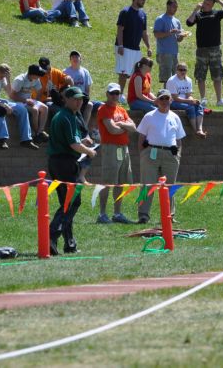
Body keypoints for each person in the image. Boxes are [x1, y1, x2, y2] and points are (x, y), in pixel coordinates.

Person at [48, 86, 97, 254]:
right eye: (75, 99)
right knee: (72, 202)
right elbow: (73, 145)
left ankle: (69, 244)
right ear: (66, 99)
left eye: (81, 99)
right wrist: (89, 151)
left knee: (67, 203)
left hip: (59, 162)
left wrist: (84, 142)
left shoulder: (69, 116)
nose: (79, 102)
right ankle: (51, 235)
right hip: (64, 163)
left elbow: (75, 139)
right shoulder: (66, 117)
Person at [136, 89, 185, 224]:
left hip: (170, 155)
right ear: (157, 101)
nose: (164, 101)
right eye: (161, 99)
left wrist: (178, 154)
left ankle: (169, 215)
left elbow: (179, 138)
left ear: (171, 100)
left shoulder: (175, 117)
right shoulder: (149, 116)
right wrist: (143, 153)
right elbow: (141, 137)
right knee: (147, 185)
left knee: (169, 186)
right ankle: (143, 215)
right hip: (151, 153)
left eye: (166, 98)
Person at [96, 82, 138, 224]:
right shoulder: (103, 109)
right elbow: (112, 130)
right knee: (108, 182)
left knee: (121, 182)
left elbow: (134, 127)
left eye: (117, 93)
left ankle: (117, 213)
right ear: (107, 94)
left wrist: (121, 125)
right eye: (112, 93)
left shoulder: (121, 110)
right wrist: (124, 127)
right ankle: (102, 214)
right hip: (110, 148)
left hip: (123, 148)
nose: (115, 96)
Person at [186, 0, 223, 107]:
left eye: (208, 4)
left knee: (217, 75)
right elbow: (189, 23)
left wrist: (219, 0)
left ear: (212, 5)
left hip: (215, 49)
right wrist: (195, 9)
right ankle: (203, 99)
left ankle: (219, 100)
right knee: (200, 75)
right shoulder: (198, 15)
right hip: (201, 50)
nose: (205, 5)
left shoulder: (216, 14)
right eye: (204, 3)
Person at [0, 64, 38, 150]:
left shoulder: (2, 78)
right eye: (2, 76)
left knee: (22, 109)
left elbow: (9, 93)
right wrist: (4, 105)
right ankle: (1, 140)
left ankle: (26, 140)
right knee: (1, 110)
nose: (2, 78)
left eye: (4, 77)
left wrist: (8, 80)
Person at [116, 0, 152, 94]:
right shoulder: (125, 12)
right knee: (123, 72)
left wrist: (149, 47)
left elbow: (144, 33)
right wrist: (120, 45)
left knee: (136, 72)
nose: (144, 1)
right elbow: (120, 29)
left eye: (144, 0)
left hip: (136, 49)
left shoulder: (143, 14)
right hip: (124, 47)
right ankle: (120, 94)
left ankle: (133, 93)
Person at [11, 65, 50, 143]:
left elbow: (39, 90)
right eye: (38, 75)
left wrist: (36, 101)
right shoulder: (20, 80)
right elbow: (12, 95)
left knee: (45, 108)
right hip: (18, 102)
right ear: (32, 74)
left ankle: (40, 131)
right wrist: (25, 100)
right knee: (35, 110)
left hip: (28, 100)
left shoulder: (35, 79)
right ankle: (37, 134)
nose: (39, 77)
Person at [153, 0, 187, 86]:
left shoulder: (177, 21)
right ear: (168, 6)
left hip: (175, 53)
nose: (175, 9)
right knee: (167, 79)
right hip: (164, 53)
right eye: (174, 7)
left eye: (176, 7)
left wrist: (182, 36)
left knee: (176, 76)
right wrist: (170, 32)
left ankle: (173, 96)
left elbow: (178, 39)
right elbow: (156, 34)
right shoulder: (160, 19)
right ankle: (166, 96)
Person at [64, 50, 101, 131]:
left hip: (82, 98)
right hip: (71, 99)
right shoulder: (65, 72)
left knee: (96, 105)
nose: (75, 58)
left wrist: (86, 98)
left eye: (77, 56)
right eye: (73, 57)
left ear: (81, 59)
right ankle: (81, 128)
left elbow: (87, 89)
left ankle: (84, 128)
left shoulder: (85, 72)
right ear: (70, 60)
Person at [167, 62, 206, 137]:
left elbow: (188, 95)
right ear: (176, 70)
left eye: (184, 70)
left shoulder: (188, 80)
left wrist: (193, 100)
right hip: (173, 102)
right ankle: (195, 130)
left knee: (199, 106)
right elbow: (175, 98)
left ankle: (200, 129)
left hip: (185, 101)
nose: (183, 72)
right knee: (190, 108)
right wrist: (189, 101)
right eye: (180, 70)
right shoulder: (172, 81)